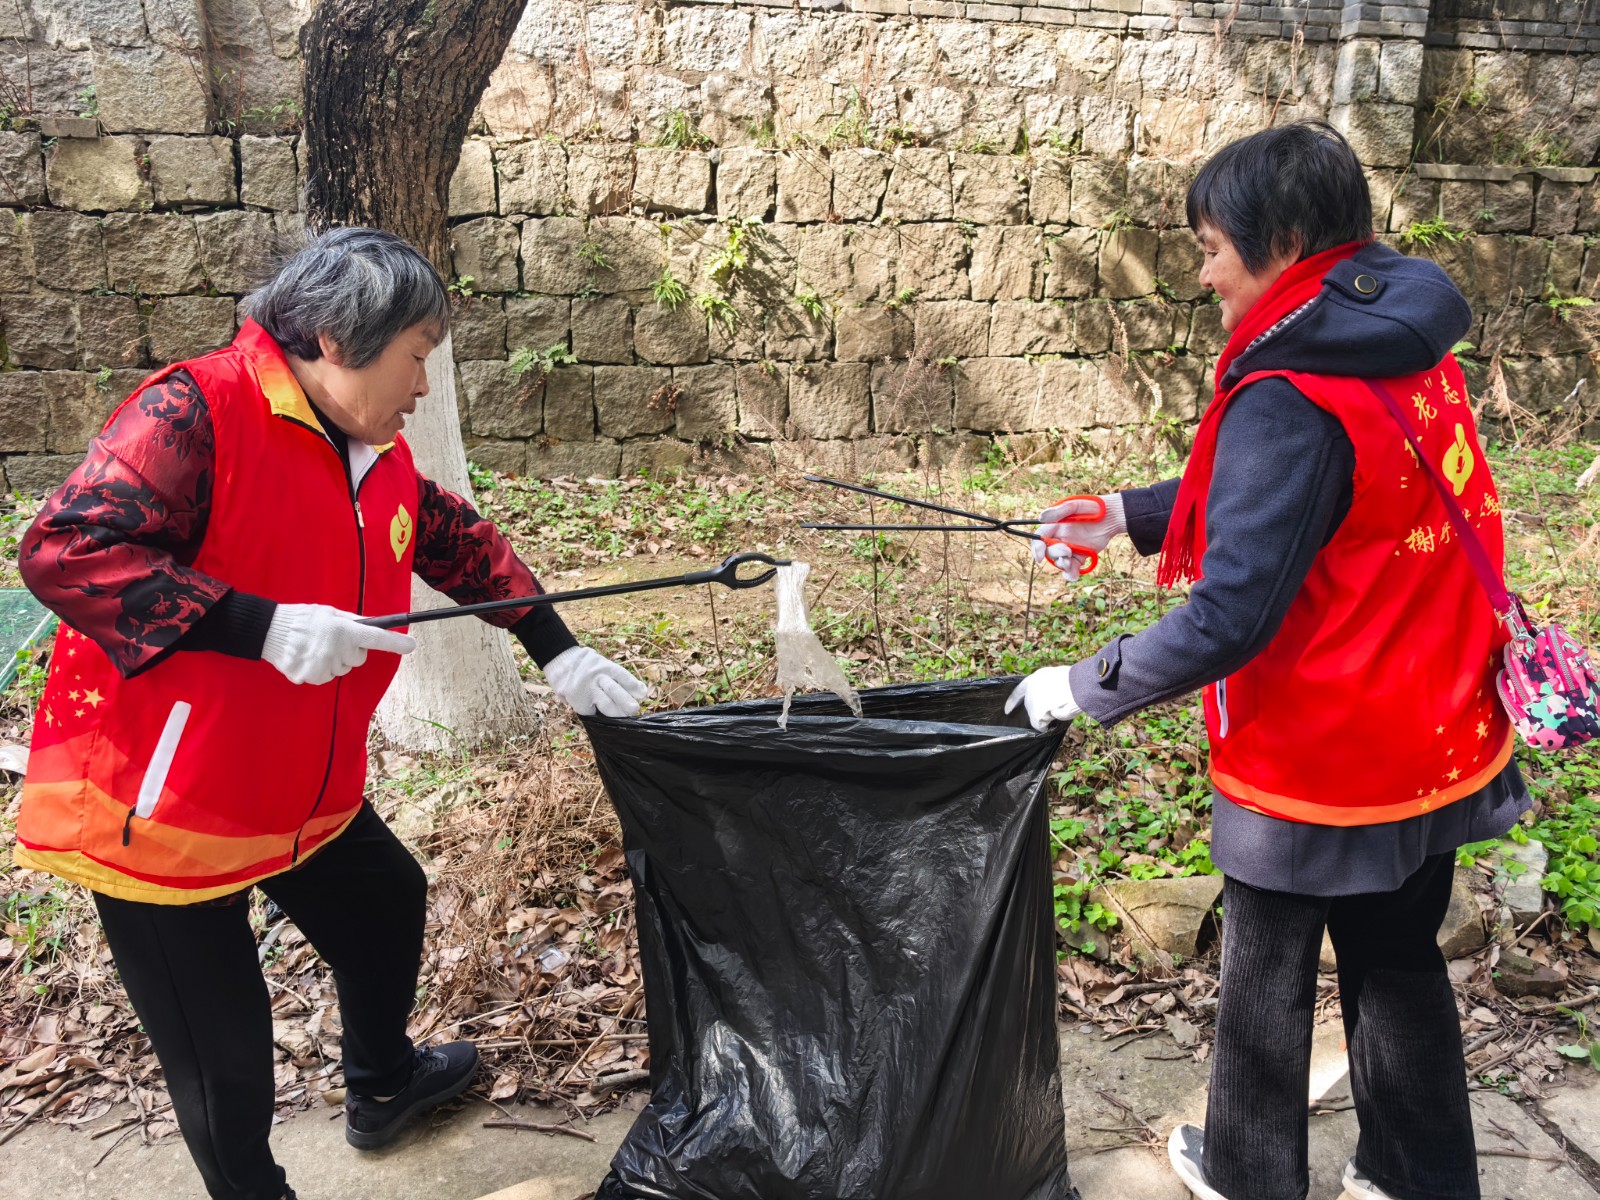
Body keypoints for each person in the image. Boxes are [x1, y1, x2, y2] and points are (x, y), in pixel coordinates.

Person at [13, 227, 648, 1200]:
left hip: (300, 781)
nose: (424, 388)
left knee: (384, 905)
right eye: (418, 358)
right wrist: (259, 626)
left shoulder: (373, 455)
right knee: (226, 1059)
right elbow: (67, 551)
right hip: (163, 804)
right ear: (340, 342)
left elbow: (458, 546)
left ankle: (382, 1089)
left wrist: (558, 652)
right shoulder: (196, 410)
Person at [1006, 122, 1527, 1200]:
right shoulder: (1396, 333)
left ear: (1282, 240)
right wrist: (1128, 514)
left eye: (1210, 247)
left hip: (1322, 749)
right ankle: (1415, 1179)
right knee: (1396, 961)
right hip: (1434, 724)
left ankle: (1249, 1179)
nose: (1203, 274)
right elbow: (1314, 506)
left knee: (1264, 987)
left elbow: (1233, 611)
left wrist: (1076, 687)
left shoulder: (1290, 389)